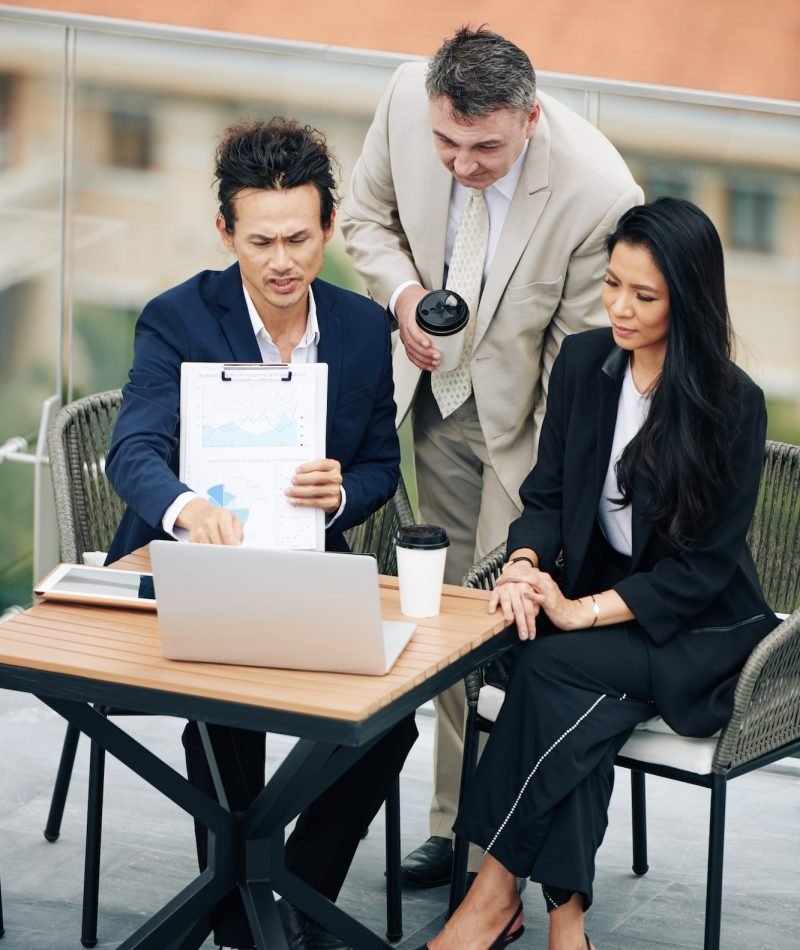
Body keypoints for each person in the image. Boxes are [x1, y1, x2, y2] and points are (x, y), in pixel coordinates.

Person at [415, 197, 779, 950]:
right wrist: (519, 566)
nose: (618, 306)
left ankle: (491, 894)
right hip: (594, 608)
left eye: (643, 296)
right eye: (612, 284)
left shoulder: (732, 406)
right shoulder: (585, 363)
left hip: (693, 625)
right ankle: (565, 920)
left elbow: (702, 570)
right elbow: (546, 495)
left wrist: (580, 611)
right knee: (545, 671)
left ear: (690, 299)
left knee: (552, 664)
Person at [340, 25, 643, 885]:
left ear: (530, 118)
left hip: (529, 425)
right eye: (447, 142)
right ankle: (451, 827)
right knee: (445, 621)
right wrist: (403, 297)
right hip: (429, 402)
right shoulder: (404, 95)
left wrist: (537, 510)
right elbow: (366, 218)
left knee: (502, 620)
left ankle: (494, 846)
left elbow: (576, 372)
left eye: (485, 148)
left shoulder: (597, 193)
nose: (462, 164)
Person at [105, 118, 418, 950]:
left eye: (299, 239)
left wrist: (344, 491)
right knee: (226, 708)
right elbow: (132, 448)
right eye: (261, 241)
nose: (282, 262)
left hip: (305, 557)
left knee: (392, 717)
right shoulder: (176, 319)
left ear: (325, 230)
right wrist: (182, 506)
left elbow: (382, 463)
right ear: (226, 233)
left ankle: (292, 899)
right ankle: (245, 923)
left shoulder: (357, 328)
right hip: (190, 564)